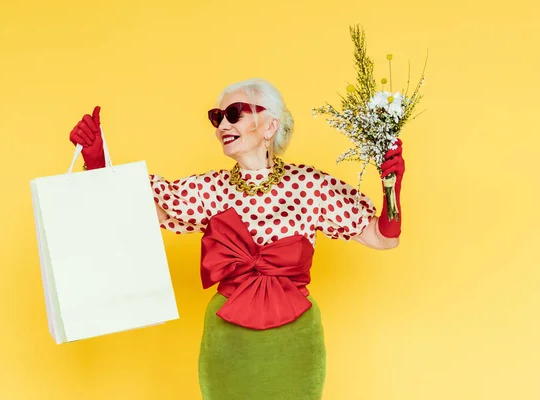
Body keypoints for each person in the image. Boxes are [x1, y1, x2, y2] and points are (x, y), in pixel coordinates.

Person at [68, 78, 404, 400]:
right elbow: (143, 213)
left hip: (296, 341)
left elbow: (382, 238)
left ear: (270, 126)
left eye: (234, 114)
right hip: (228, 343)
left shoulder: (311, 185)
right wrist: (97, 161)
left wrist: (392, 187)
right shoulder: (209, 189)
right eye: (217, 118)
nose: (222, 126)